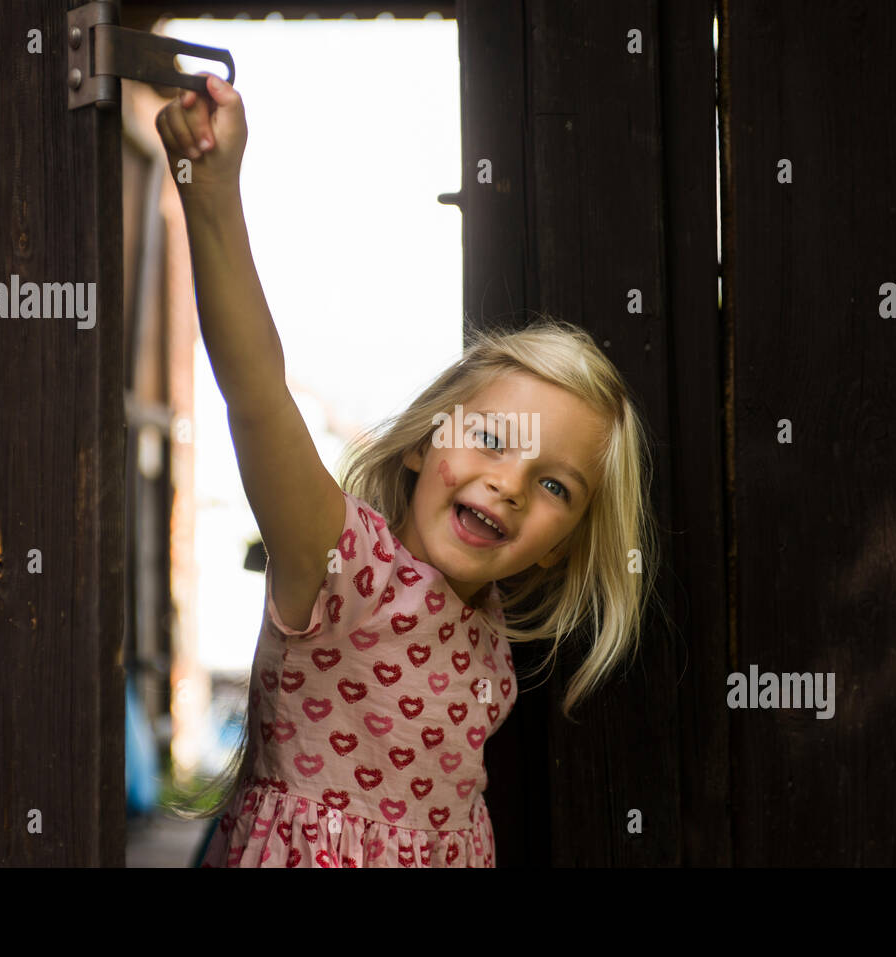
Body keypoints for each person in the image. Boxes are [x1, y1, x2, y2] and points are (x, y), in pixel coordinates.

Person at [156, 74, 663, 867]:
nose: (510, 483)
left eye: (555, 484)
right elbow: (256, 393)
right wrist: (210, 188)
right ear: (427, 440)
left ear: (567, 542)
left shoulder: (490, 647)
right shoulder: (337, 563)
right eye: (493, 438)